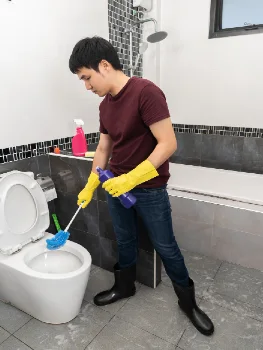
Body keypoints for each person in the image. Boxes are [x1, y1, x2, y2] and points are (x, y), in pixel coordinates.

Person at [68, 36, 214, 336]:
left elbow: (168, 143)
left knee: (166, 246)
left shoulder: (147, 92)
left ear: (104, 66)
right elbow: (104, 149)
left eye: (86, 77)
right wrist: (91, 183)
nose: (86, 86)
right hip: (115, 185)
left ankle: (188, 303)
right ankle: (125, 287)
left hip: (148, 188)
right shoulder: (106, 106)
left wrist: (132, 179)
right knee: (125, 239)